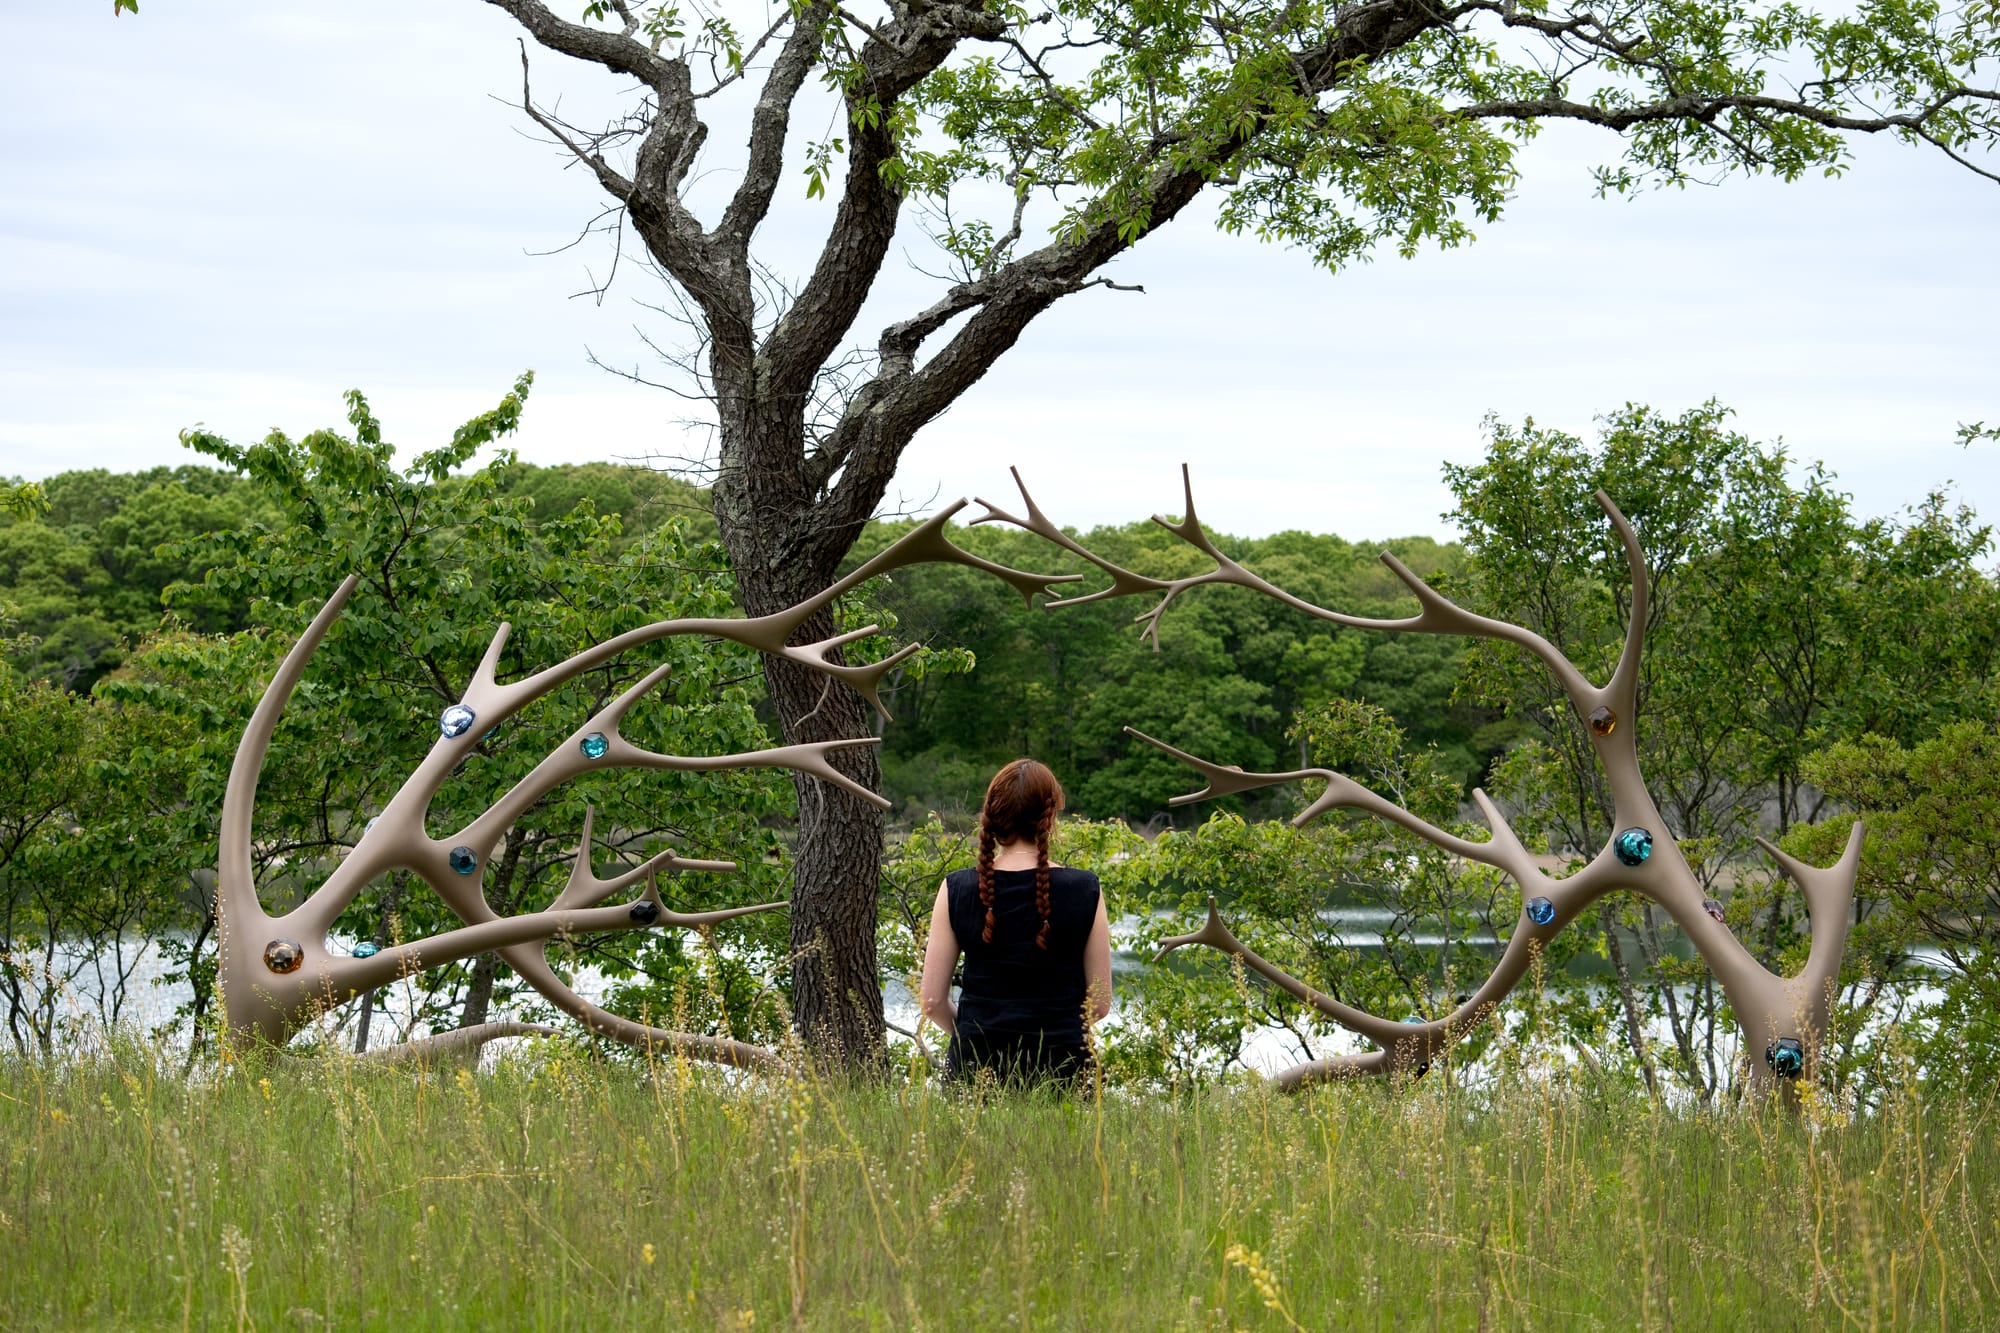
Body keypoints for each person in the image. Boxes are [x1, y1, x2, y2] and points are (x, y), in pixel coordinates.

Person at [918, 758, 1113, 1085]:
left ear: (992, 814)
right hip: (1064, 1071)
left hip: (975, 1071)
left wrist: (975, 1034)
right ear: (1050, 817)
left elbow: (932, 1001)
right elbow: (1100, 1005)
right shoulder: (1085, 888)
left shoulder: (957, 888)